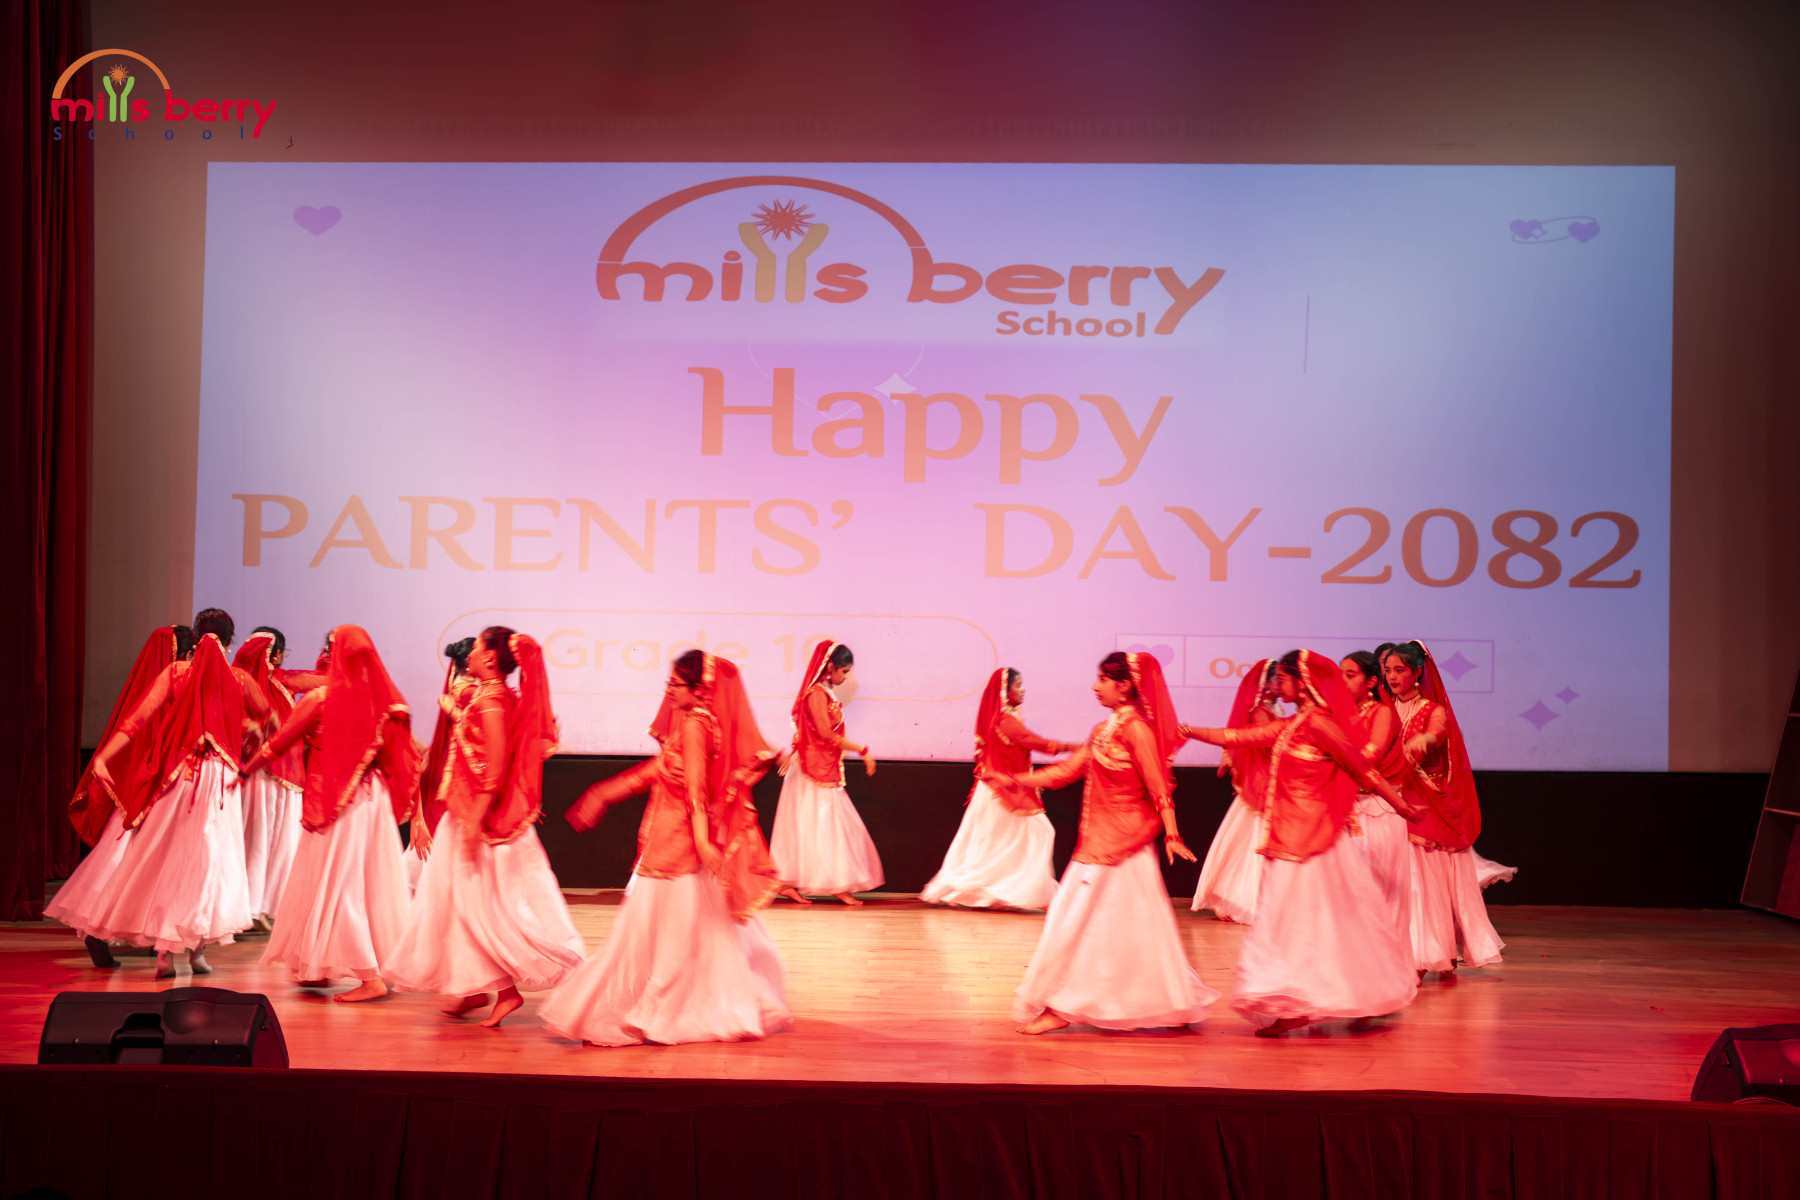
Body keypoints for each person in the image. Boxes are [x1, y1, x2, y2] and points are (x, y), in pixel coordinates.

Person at [541, 651, 790, 1046]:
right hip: (669, 839)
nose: (669, 691)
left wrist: (703, 842)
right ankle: (678, 1006)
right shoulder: (693, 722)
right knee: (682, 933)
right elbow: (658, 771)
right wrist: (603, 793)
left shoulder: (695, 725)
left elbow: (696, 791)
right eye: (668, 683)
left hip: (676, 845)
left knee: (664, 935)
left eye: (676, 684)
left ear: (700, 689)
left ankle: (658, 1012)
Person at [1181, 649, 1423, 1037]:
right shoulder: (1293, 724)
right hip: (1286, 841)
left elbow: (1364, 771)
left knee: (1314, 925)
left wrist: (1402, 808)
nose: (1278, 686)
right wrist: (1188, 731)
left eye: (1284, 679)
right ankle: (1293, 1004)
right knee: (1285, 924)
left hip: (1316, 844)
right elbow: (1238, 736)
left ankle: (1332, 997)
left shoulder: (1322, 726)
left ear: (1303, 681)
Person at [988, 651, 1217, 1035]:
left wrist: (1173, 835)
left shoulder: (1137, 730)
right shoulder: (1102, 730)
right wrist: (1015, 781)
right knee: (1101, 925)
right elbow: (1066, 771)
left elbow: (1159, 787)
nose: (1095, 687)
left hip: (1125, 848)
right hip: (1097, 843)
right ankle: (1112, 1002)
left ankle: (1065, 1006)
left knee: (1095, 925)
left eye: (1103, 680)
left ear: (1124, 686)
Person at [46, 609, 267, 977]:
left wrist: (104, 757)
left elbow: (137, 719)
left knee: (166, 860)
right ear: (230, 643)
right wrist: (250, 730)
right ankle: (196, 951)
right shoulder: (240, 680)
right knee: (208, 864)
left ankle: (166, 952)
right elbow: (268, 716)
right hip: (218, 781)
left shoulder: (177, 673)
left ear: (196, 637)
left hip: (178, 777)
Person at [385, 627, 585, 1028]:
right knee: (457, 906)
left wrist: (474, 823)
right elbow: (479, 737)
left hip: (478, 820)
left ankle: (507, 989)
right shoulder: (489, 698)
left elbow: (494, 768)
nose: (471, 655)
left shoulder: (492, 702)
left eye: (476, 648)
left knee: (479, 909)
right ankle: (476, 988)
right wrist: (457, 712)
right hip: (464, 815)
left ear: (491, 659)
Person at [242, 626, 418, 1002]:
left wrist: (244, 771)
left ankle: (369, 976)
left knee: (338, 883)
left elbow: (279, 743)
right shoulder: (382, 704)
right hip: (371, 801)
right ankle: (319, 967)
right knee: (363, 883)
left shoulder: (321, 699)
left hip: (336, 803)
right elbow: (400, 760)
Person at [1380, 640, 1511, 977]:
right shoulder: (1383, 710)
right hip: (1391, 804)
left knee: (1426, 887)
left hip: (1428, 806)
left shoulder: (1432, 710)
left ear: (1417, 673)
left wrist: (1423, 741)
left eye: (1399, 670)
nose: (1391, 676)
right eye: (1388, 670)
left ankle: (1428, 955)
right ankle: (1415, 954)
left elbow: (1437, 734)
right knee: (1401, 886)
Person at [62, 625, 185, 967]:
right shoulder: (177, 684)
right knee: (142, 865)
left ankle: (136, 933)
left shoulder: (149, 687)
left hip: (137, 791)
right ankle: (105, 930)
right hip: (156, 791)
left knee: (128, 864)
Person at [922, 667, 1069, 911]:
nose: (1023, 690)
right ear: (1004, 691)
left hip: (995, 790)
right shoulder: (1005, 721)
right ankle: (1018, 893)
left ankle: (994, 892)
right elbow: (1038, 744)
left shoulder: (1002, 718)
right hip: (1000, 792)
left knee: (993, 842)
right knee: (1035, 833)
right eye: (1018, 685)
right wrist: (1076, 747)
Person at [770, 641, 883, 905]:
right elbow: (825, 734)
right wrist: (863, 750)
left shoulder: (824, 692)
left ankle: (796, 882)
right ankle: (831, 883)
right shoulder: (816, 694)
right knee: (820, 823)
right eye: (844, 671)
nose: (845, 678)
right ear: (830, 667)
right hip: (813, 770)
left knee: (811, 824)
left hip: (818, 767)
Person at [1190, 659, 1278, 924]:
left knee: (1251, 839)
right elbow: (1265, 744)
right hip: (1262, 781)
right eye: (1278, 679)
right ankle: (1244, 899)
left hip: (1271, 779)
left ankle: (1246, 897)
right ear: (1265, 683)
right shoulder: (1260, 711)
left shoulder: (1272, 708)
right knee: (1255, 840)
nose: (1282, 684)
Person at [236, 627, 305, 930]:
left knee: (254, 840)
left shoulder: (239, 682)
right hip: (281, 774)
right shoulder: (282, 681)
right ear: (276, 655)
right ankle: (258, 907)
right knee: (276, 843)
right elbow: (324, 680)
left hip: (257, 773)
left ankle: (250, 906)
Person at [1342, 650, 1413, 941]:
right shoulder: (1340, 714)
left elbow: (1371, 755)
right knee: (1347, 893)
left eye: (1350, 675)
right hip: (1346, 809)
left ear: (1371, 681)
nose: (1342, 682)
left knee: (1378, 894)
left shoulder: (1382, 712)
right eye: (1339, 675)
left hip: (1377, 810)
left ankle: (1385, 960)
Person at [409, 637, 477, 891]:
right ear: (469, 662)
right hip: (461, 769)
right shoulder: (468, 692)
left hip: (453, 764)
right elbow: (478, 728)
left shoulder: (458, 688)